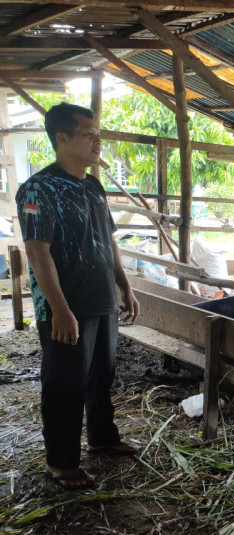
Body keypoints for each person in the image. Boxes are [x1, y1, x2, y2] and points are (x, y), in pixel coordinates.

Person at [16, 102, 140, 490]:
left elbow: (109, 241)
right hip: (66, 305)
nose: (97, 140)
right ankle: (62, 461)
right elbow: (38, 251)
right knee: (64, 383)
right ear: (62, 138)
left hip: (101, 298)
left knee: (101, 375)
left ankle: (102, 438)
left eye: (96, 132)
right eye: (88, 133)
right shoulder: (39, 188)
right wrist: (59, 309)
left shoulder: (93, 184)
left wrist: (125, 284)